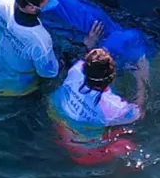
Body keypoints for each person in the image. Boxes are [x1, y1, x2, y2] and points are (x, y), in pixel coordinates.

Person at [49, 23, 149, 165]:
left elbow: (86, 63)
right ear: (112, 77)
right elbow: (139, 113)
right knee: (128, 147)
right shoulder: (112, 107)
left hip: (58, 126)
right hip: (84, 151)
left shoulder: (75, 71)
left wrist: (89, 44)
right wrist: (141, 80)